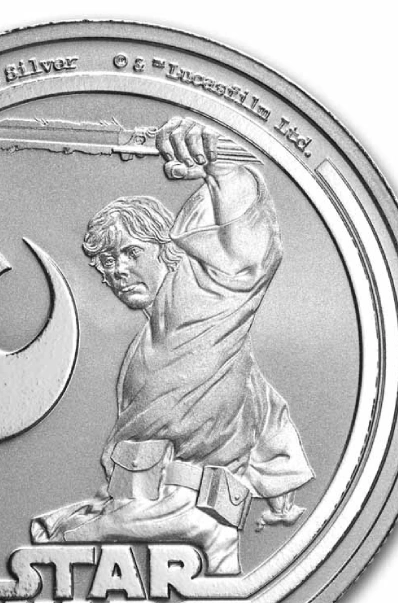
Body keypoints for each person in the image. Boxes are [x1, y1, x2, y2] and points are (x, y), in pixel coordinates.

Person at [31, 117, 314, 575]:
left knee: (60, 538)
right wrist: (280, 483)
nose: (117, 269)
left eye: (131, 252)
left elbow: (248, 258)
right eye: (107, 260)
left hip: (191, 519)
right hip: (159, 524)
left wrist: (224, 169)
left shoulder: (202, 301)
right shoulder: (147, 346)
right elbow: (257, 395)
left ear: (168, 249)